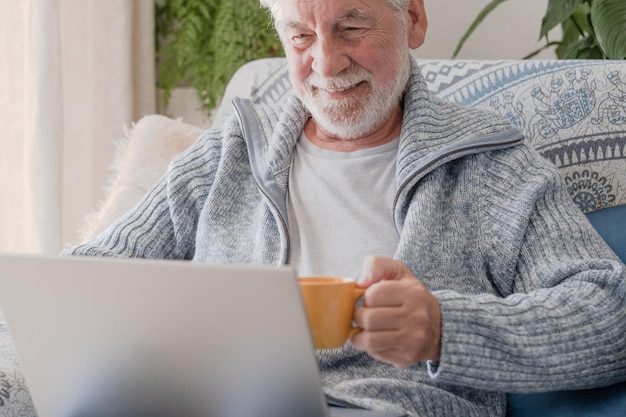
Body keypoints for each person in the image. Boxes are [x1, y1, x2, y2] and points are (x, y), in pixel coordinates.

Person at [64, 0, 626, 415]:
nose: (327, 64)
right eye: (300, 36)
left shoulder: (490, 164)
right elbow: (94, 274)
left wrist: (442, 328)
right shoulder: (232, 150)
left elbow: (611, 314)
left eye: (352, 28)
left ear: (414, 18)